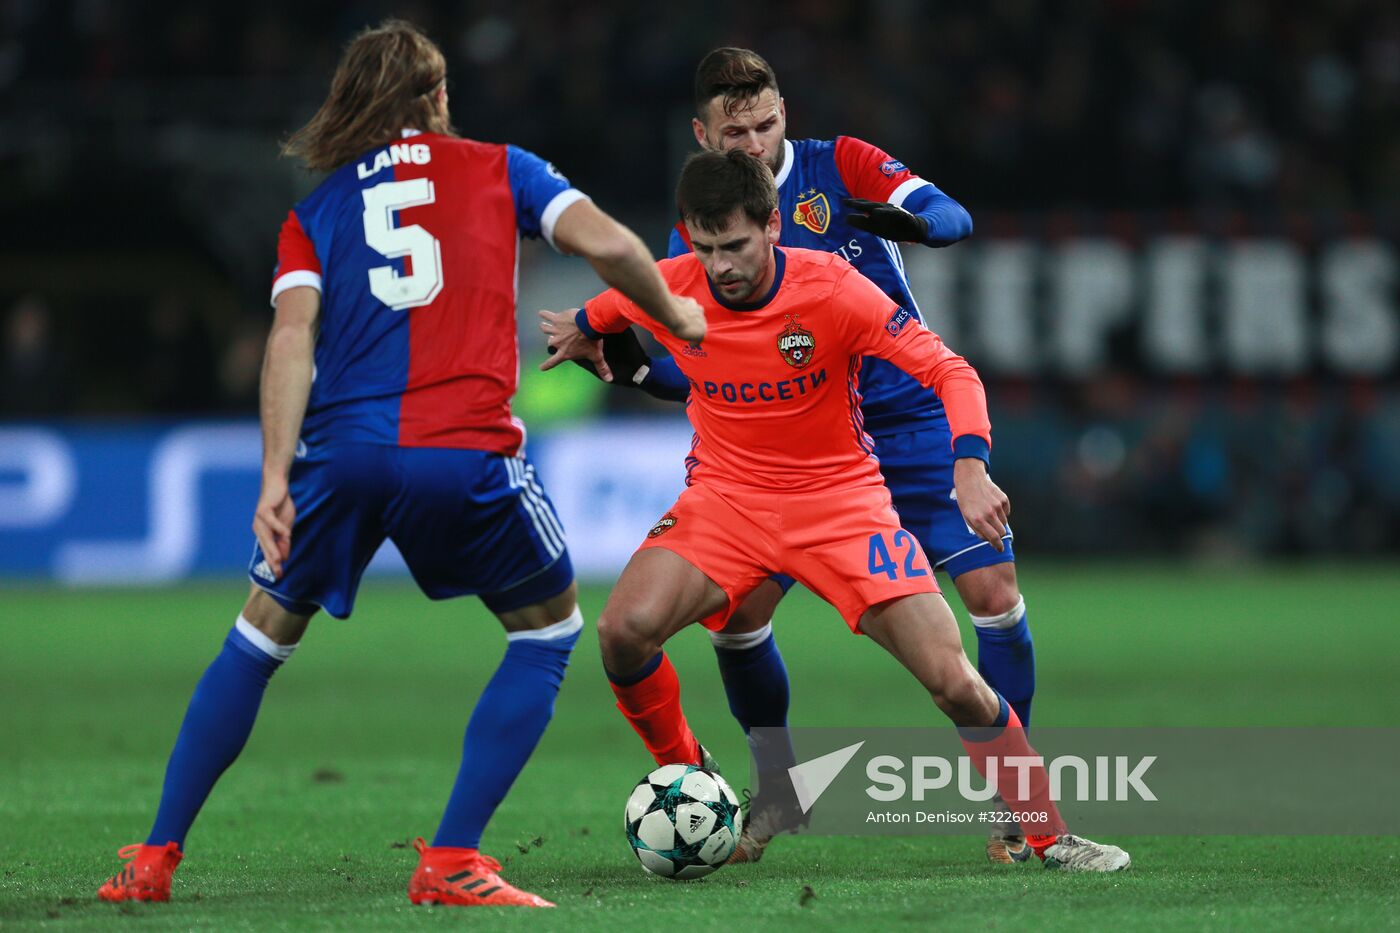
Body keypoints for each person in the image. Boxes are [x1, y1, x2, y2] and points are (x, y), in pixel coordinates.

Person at [95, 19, 703, 910]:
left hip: (341, 456)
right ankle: (452, 856)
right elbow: (610, 244)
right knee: (547, 630)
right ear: (436, 98)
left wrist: (274, 477)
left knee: (259, 635)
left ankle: (152, 857)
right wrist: (675, 319)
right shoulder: (504, 167)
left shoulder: (315, 213)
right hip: (461, 448)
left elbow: (291, 337)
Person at [541, 147, 1130, 874]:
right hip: (726, 501)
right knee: (622, 631)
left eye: (735, 245)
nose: (719, 265)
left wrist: (969, 466)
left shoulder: (831, 289)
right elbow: (601, 308)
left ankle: (1049, 834)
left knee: (953, 681)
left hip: (840, 505)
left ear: (773, 224)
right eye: (704, 246)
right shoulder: (668, 285)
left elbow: (950, 369)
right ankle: (696, 782)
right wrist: (580, 330)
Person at [579, 47, 1035, 864]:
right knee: (738, 615)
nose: (753, 144)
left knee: (991, 588)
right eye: (734, 132)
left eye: (766, 125)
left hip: (910, 414)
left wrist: (910, 221)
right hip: (797, 441)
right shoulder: (716, 222)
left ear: (784, 114)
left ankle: (1015, 807)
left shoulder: (843, 165)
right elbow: (700, 360)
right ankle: (779, 789)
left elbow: (954, 218)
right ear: (703, 132)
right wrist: (639, 366)